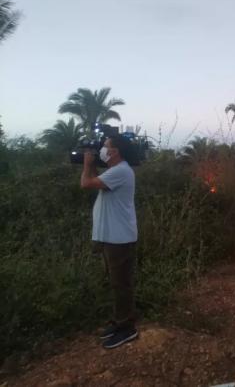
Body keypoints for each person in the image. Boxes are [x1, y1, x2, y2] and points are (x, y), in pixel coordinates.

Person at [81, 134, 139, 349]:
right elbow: (98, 183)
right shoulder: (116, 171)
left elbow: (86, 183)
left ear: (115, 152)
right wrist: (94, 165)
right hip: (112, 236)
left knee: (121, 284)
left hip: (119, 238)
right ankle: (119, 321)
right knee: (116, 282)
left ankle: (127, 329)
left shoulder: (121, 171)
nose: (102, 150)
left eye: (105, 147)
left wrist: (87, 164)